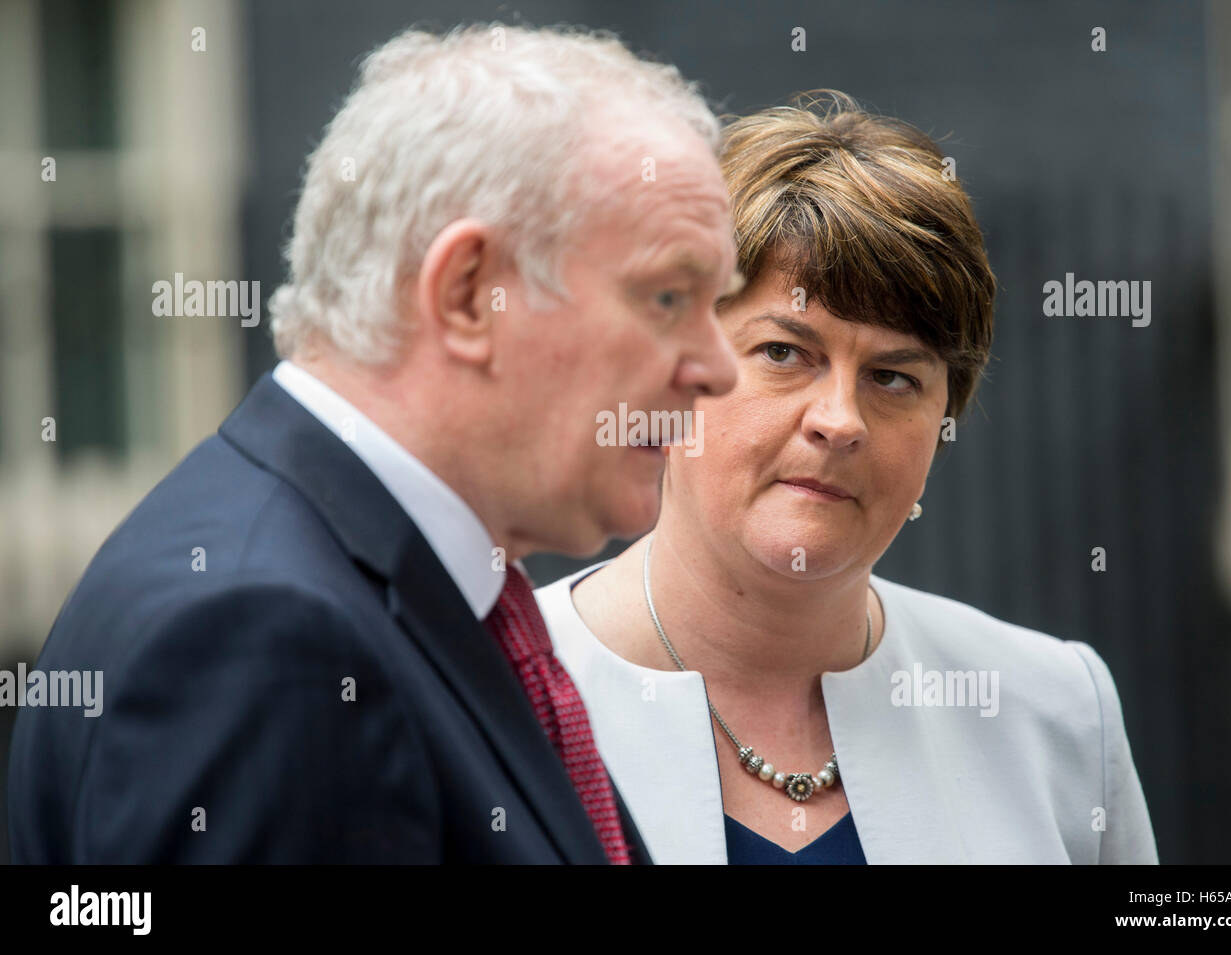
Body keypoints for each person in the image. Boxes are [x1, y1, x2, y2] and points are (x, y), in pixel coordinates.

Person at [7, 24, 741, 864]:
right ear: (468, 294)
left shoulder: (385, 583)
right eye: (668, 297)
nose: (717, 367)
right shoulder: (271, 638)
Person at [534, 90, 1160, 864]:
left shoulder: (1054, 709)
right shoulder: (495, 696)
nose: (840, 419)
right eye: (784, 352)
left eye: (894, 377)